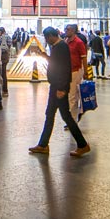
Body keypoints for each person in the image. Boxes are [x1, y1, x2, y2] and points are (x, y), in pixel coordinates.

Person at [29, 27, 90, 157]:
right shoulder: (58, 46)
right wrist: (45, 56)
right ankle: (43, 144)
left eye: (46, 38)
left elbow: (64, 68)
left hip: (59, 87)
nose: (46, 40)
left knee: (64, 116)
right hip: (56, 86)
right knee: (50, 114)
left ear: (51, 36)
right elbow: (56, 63)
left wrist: (62, 88)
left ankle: (82, 144)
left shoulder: (61, 46)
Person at [65, 23, 88, 120]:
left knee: (73, 96)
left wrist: (86, 72)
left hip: (76, 71)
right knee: (71, 95)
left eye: (68, 29)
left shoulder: (78, 43)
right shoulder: (66, 41)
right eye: (66, 29)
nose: (66, 31)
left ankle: (73, 119)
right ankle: (75, 114)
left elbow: (84, 58)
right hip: (67, 71)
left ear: (74, 31)